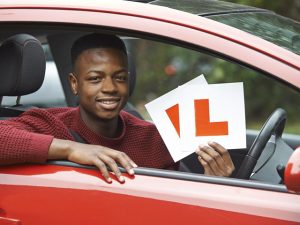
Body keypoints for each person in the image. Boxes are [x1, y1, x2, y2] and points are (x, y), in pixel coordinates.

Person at [0, 33, 234, 183]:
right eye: (95, 79)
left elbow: (175, 204)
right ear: (74, 83)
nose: (110, 88)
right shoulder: (49, 123)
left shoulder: (153, 138)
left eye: (119, 77)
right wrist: (70, 150)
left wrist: (217, 182)